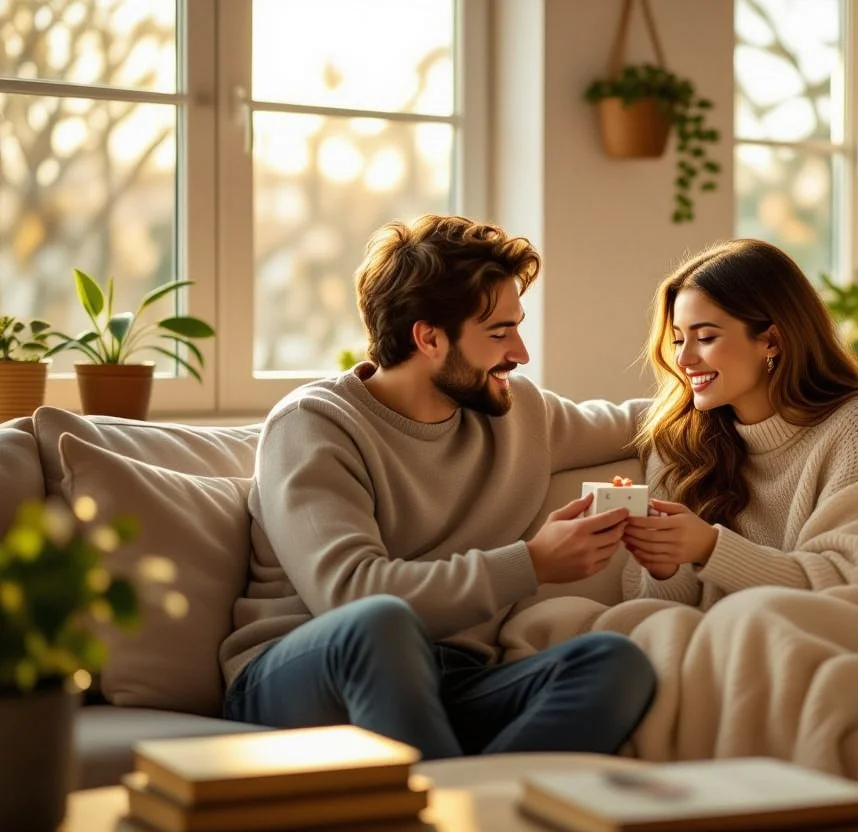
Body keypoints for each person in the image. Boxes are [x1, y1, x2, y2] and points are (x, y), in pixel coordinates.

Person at [219, 214, 657, 759]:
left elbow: (646, 421)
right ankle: (449, 796)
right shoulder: (313, 424)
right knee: (381, 622)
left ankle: (475, 797)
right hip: (304, 670)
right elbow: (350, 594)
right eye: (499, 332)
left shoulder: (518, 414)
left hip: (451, 678)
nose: (521, 353)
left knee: (614, 662)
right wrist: (533, 563)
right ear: (428, 337)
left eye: (517, 327)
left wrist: (739, 386)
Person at [621, 239, 858, 608]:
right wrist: (665, 565)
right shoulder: (679, 438)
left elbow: (852, 582)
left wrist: (710, 547)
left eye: (705, 337)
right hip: (717, 627)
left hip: (830, 619)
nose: (684, 359)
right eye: (678, 340)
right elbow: (657, 606)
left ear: (772, 340)